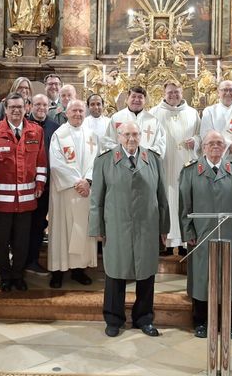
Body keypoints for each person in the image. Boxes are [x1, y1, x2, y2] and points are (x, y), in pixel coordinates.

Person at [89, 121, 170, 338]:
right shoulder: (105, 161)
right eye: (127, 135)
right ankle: (113, 318)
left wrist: (164, 227)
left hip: (148, 225)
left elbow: (162, 197)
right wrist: (97, 226)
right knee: (115, 272)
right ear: (118, 136)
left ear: (141, 135)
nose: (131, 139)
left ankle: (144, 318)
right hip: (116, 225)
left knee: (146, 273)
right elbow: (96, 198)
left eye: (135, 134)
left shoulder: (153, 159)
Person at [178, 130, 232, 339]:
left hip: (228, 234)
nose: (215, 146)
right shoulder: (190, 171)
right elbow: (184, 204)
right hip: (200, 233)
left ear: (225, 147)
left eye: (219, 142)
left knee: (226, 277)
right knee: (202, 277)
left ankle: (228, 322)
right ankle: (200, 321)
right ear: (203, 147)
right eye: (211, 143)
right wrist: (187, 230)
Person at [0, 93, 47, 292]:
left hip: (27, 200)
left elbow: (41, 162)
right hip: (1, 200)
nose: (16, 110)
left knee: (22, 242)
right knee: (1, 243)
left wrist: (40, 185)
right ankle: (5, 276)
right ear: (6, 108)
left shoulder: (36, 131)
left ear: (26, 107)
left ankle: (18, 275)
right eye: (12, 107)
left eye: (20, 106)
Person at [48, 100, 99, 288]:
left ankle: (79, 270)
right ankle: (58, 271)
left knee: (82, 232)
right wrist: (77, 182)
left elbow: (97, 162)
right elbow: (56, 163)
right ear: (66, 113)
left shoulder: (92, 135)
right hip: (65, 193)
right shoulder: (59, 135)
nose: (77, 113)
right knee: (62, 230)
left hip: (86, 191)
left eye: (80, 110)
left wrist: (88, 181)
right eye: (74, 110)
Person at [150, 80, 200, 256]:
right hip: (165, 165)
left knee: (185, 201)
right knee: (167, 201)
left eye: (176, 92)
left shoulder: (193, 113)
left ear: (182, 93)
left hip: (186, 164)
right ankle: (168, 242)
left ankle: (186, 241)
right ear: (164, 94)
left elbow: (201, 135)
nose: (173, 95)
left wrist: (196, 141)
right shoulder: (154, 113)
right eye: (170, 92)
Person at [26, 94, 61, 274]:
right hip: (25, 185)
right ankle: (20, 260)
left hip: (47, 186)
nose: (41, 108)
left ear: (49, 107)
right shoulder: (24, 125)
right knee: (23, 226)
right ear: (30, 105)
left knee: (39, 224)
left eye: (45, 105)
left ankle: (32, 260)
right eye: (37, 104)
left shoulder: (56, 128)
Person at [103, 86, 166, 158]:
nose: (136, 100)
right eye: (133, 96)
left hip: (145, 164)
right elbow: (108, 141)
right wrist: (123, 153)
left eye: (140, 97)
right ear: (127, 99)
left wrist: (144, 155)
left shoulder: (153, 121)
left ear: (145, 100)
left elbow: (160, 145)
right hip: (121, 163)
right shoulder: (116, 118)